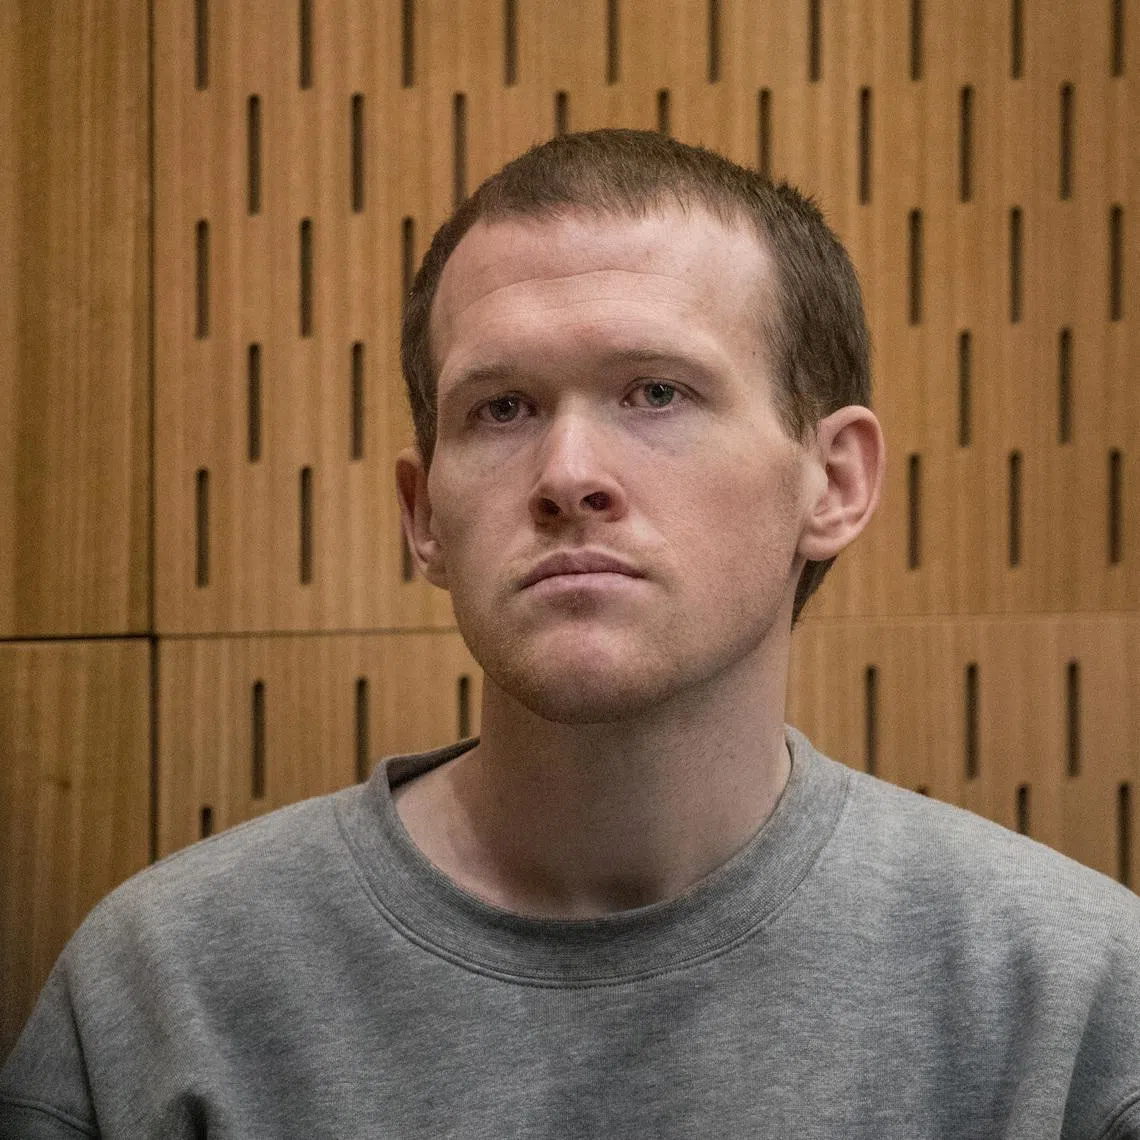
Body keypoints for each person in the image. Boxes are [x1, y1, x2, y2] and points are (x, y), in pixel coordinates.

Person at [2, 128, 1138, 1138]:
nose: (568, 476)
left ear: (832, 481)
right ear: (422, 515)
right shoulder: (163, 989)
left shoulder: (1076, 1005)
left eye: (656, 393)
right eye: (501, 408)